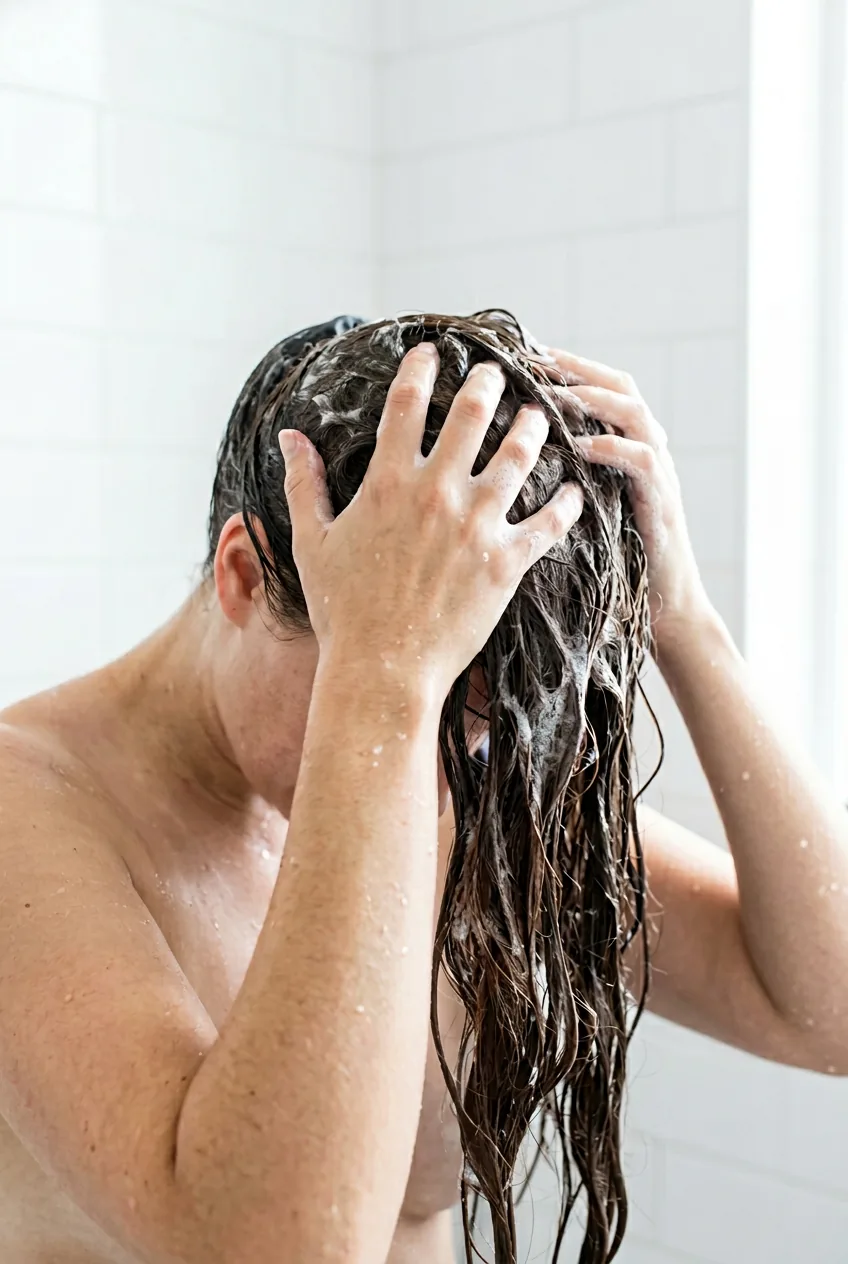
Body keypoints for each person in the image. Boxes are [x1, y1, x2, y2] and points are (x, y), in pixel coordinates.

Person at [0, 311, 846, 1264]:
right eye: (406, 676)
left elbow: (828, 1009)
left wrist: (686, 624)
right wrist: (389, 678)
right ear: (243, 576)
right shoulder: (26, 808)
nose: (442, 775)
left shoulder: (459, 773)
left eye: (475, 723)